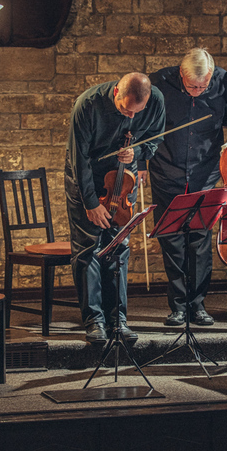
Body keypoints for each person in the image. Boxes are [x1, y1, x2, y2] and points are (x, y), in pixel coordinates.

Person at [144, 48, 227, 327]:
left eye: (203, 86)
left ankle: (197, 306)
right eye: (191, 86)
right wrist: (139, 163)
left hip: (205, 172)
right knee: (171, 240)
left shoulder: (222, 81)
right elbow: (144, 125)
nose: (197, 91)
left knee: (199, 240)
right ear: (181, 74)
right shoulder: (159, 83)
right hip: (166, 171)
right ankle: (178, 307)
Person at [65, 72, 165, 344]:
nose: (130, 118)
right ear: (117, 90)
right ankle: (94, 320)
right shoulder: (87, 105)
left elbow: (155, 140)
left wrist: (139, 153)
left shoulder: (155, 100)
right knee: (89, 249)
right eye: (125, 110)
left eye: (137, 112)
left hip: (124, 180)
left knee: (119, 248)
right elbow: (79, 159)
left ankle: (117, 319)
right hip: (89, 179)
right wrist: (90, 202)